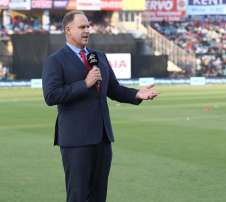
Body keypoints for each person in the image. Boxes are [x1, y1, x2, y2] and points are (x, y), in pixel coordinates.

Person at [42, 11, 159, 202]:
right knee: (78, 196)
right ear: (68, 30)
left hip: (102, 138)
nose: (87, 30)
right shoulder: (55, 61)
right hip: (76, 140)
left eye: (88, 26)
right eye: (82, 27)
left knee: (99, 196)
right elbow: (51, 95)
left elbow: (113, 89)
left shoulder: (99, 57)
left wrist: (136, 94)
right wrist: (84, 84)